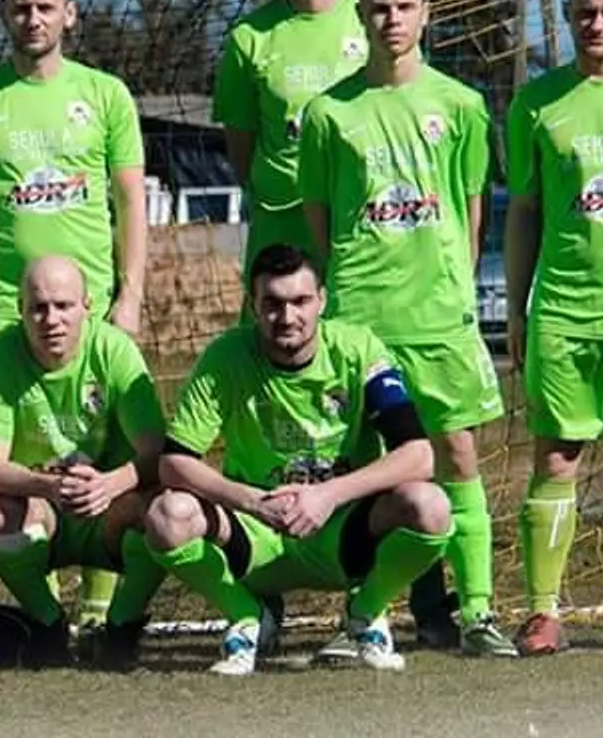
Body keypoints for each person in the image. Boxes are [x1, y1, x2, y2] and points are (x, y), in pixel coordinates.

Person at [299, 0, 516, 656]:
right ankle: (367, 616)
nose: (391, 19)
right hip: (361, 319)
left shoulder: (462, 106)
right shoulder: (327, 113)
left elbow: (471, 211)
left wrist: (448, 285)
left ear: (426, 14)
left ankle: (478, 613)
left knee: (458, 454)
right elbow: (322, 222)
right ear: (360, 15)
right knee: (364, 469)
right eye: (379, 8)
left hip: (439, 317)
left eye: (404, 7)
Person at [0, 0, 147, 625]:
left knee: (104, 447)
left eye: (46, 7)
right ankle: (46, 612)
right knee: (25, 464)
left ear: (70, 14)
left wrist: (131, 294)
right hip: (8, 311)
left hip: (91, 309)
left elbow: (131, 202)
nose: (34, 18)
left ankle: (100, 609)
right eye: (21, 7)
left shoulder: (106, 94)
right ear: (4, 13)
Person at [145, 244, 453, 675]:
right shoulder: (225, 357)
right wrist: (252, 501)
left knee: (430, 505)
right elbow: (173, 463)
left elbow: (419, 456)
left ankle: (364, 613)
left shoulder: (359, 350)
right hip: (257, 536)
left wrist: (327, 496)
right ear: (253, 305)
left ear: (322, 300)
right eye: (272, 303)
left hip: (344, 536)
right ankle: (248, 616)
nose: (287, 316)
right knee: (167, 515)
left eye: (300, 301)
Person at [0, 255, 167, 666]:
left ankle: (121, 627)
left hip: (109, 509)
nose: (51, 319)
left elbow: (158, 452)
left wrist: (109, 484)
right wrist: (48, 486)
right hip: (43, 511)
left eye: (63, 306)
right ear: (20, 310)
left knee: (165, 512)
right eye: (38, 308)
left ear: (87, 306)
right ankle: (47, 624)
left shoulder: (115, 349)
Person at [504, 0, 603, 655]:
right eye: (585, 11)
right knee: (557, 460)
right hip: (565, 310)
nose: (597, 23)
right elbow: (524, 212)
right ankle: (543, 612)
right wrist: (516, 307)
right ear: (567, 16)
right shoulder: (536, 104)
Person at [212, 0, 366, 275]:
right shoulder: (249, 38)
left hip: (361, 217)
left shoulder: (372, 19)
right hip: (282, 225)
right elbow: (242, 150)